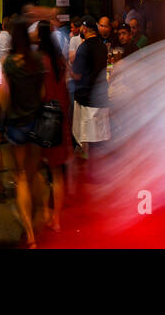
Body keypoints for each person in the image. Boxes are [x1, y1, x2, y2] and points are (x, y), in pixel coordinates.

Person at [0, 16, 47, 247]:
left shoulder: (8, 63)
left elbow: (3, 96)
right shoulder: (37, 60)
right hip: (36, 122)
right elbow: (43, 94)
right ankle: (41, 215)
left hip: (16, 125)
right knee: (34, 172)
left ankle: (29, 232)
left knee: (20, 177)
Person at [32, 15, 72, 230]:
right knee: (57, 172)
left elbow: (41, 93)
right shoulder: (59, 60)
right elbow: (64, 88)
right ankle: (56, 218)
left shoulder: (40, 61)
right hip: (60, 117)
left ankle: (45, 212)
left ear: (40, 36)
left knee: (38, 168)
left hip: (44, 118)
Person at [70, 17, 110, 152]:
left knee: (86, 139)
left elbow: (77, 75)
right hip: (101, 97)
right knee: (100, 140)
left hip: (86, 100)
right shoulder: (102, 46)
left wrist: (67, 68)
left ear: (85, 28)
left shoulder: (84, 48)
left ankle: (90, 167)